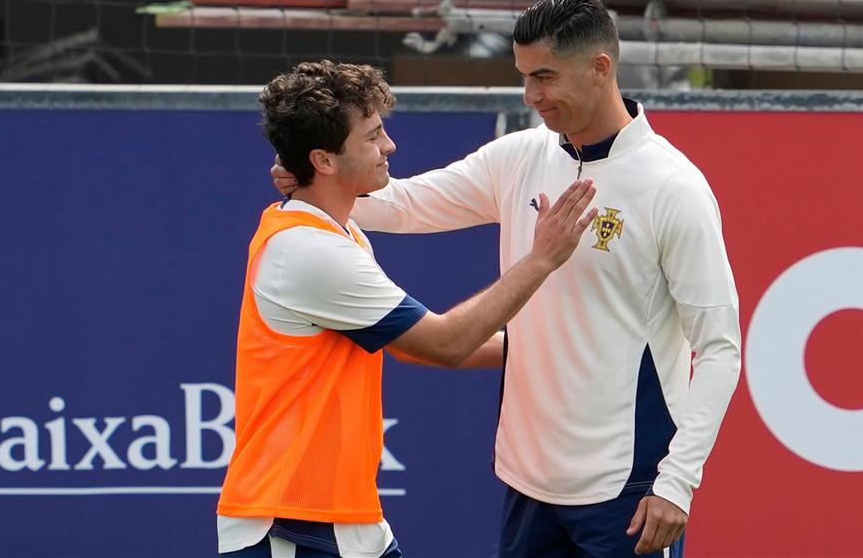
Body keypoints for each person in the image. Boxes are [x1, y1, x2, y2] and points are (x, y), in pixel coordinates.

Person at [272, 0, 741, 558]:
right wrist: (314, 177)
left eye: (544, 77)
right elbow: (401, 205)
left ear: (601, 68)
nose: (531, 95)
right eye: (523, 76)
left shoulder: (673, 187)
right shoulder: (520, 155)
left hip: (627, 488)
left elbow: (719, 349)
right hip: (526, 483)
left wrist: (678, 483)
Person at [218, 59, 598, 558]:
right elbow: (443, 343)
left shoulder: (337, 232)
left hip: (335, 519)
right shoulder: (310, 251)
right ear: (325, 161)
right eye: (372, 137)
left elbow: (414, 348)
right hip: (292, 521)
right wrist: (542, 258)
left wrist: (545, 348)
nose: (389, 146)